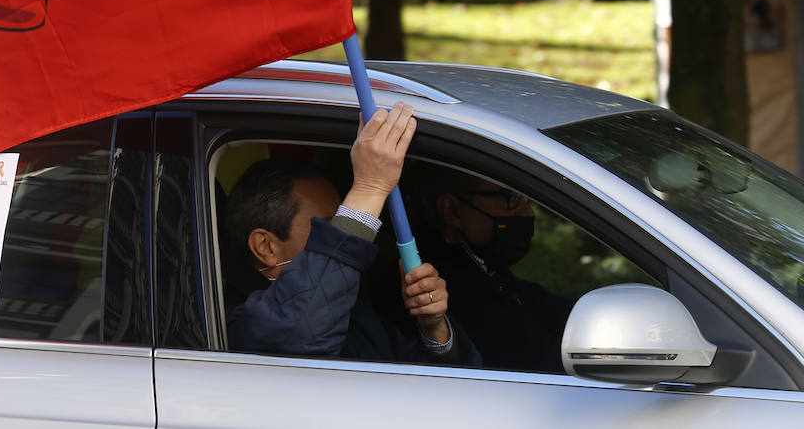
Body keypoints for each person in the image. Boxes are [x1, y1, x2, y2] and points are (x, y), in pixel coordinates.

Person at [225, 103, 477, 364]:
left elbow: (426, 381)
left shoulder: (353, 309)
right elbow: (298, 341)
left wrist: (433, 329)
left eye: (341, 224)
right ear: (265, 246)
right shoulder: (232, 318)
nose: (343, 235)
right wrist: (370, 188)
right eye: (330, 227)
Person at [421, 168, 573, 372]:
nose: (527, 213)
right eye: (509, 198)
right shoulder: (444, 292)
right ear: (453, 211)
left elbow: (533, 301)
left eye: (524, 199)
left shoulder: (482, 267)